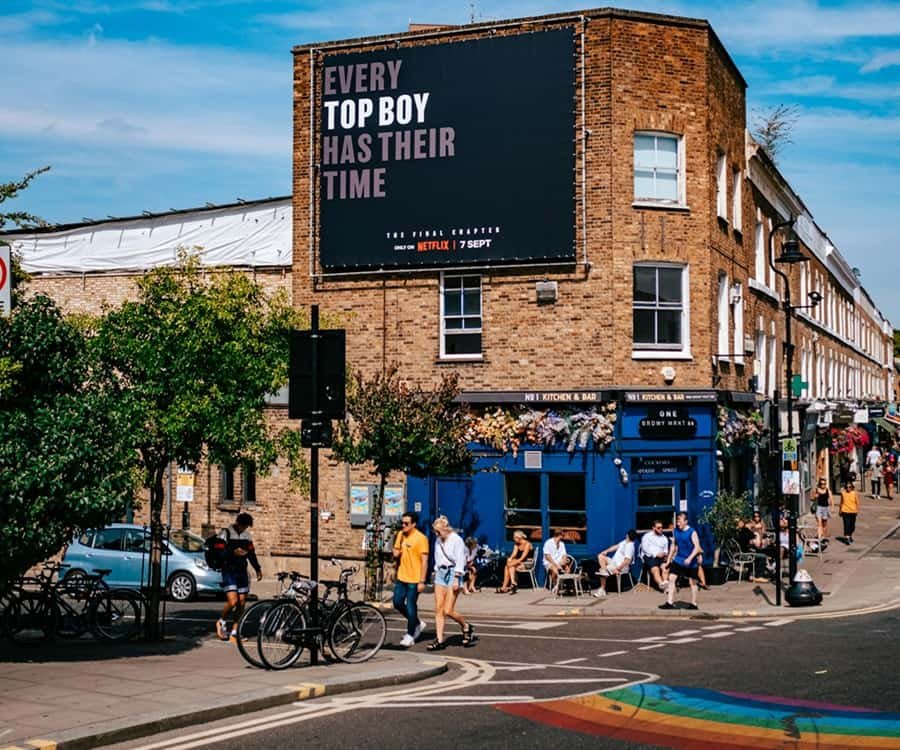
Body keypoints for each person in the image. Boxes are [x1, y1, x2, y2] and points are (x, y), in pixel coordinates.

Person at [427, 516, 475, 650]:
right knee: (438, 608)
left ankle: (466, 626)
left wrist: (457, 577)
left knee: (448, 610)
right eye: (435, 531)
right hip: (441, 573)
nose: (436, 534)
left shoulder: (456, 540)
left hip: (454, 572)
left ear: (446, 529)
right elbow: (438, 557)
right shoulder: (438, 540)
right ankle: (440, 640)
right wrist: (435, 570)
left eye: (438, 531)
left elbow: (460, 559)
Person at [216, 512, 263, 641]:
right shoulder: (225, 534)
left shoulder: (247, 536)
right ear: (237, 523)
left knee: (242, 602)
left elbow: (251, 553)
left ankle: (235, 632)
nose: (244, 528)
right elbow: (220, 553)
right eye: (243, 525)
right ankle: (221, 621)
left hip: (242, 570)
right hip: (229, 570)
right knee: (233, 601)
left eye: (246, 526)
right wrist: (233, 552)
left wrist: (258, 569)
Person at [392, 511, 429, 647]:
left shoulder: (421, 539)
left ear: (414, 524)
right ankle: (417, 623)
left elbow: (424, 561)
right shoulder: (401, 535)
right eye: (402, 523)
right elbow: (395, 551)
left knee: (411, 606)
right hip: (402, 576)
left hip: (415, 578)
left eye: (406, 523)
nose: (403, 526)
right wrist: (397, 553)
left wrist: (422, 581)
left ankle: (410, 634)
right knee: (397, 602)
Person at [659, 513, 701, 611]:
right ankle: (669, 602)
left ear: (686, 522)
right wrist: (669, 560)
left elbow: (697, 547)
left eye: (680, 521)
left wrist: (690, 558)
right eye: (677, 521)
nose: (678, 523)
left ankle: (694, 604)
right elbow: (673, 546)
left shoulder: (692, 532)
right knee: (671, 578)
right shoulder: (675, 531)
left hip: (691, 560)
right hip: (679, 559)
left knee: (693, 582)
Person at [593, 530, 637, 598]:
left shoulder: (630, 546)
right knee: (600, 556)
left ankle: (602, 589)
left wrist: (618, 568)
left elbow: (627, 561)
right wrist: (606, 551)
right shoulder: (624, 542)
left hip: (620, 567)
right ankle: (605, 571)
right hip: (613, 562)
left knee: (601, 571)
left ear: (627, 535)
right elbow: (615, 547)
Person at [639, 521, 670, 591]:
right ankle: (662, 584)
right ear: (653, 528)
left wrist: (664, 553)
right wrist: (656, 554)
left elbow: (666, 550)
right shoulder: (647, 536)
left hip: (661, 556)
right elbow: (645, 548)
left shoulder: (664, 538)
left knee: (665, 568)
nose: (661, 529)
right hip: (650, 556)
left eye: (662, 527)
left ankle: (665, 584)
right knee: (655, 569)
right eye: (658, 528)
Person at [839, 480, 860, 544]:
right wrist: (840, 510)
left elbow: (857, 502)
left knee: (852, 526)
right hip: (845, 511)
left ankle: (850, 535)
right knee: (846, 524)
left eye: (850, 487)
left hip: (853, 511)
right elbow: (841, 502)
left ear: (852, 487)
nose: (848, 488)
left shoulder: (854, 493)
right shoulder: (843, 493)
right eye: (847, 487)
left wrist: (857, 510)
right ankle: (847, 537)